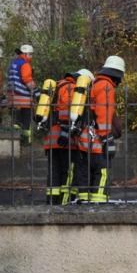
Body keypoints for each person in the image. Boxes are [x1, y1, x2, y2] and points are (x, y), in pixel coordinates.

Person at [76, 56, 125, 203]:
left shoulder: (95, 84)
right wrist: (106, 137)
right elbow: (103, 112)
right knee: (102, 173)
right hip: (98, 141)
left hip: (85, 140)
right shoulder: (106, 86)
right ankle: (99, 204)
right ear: (117, 74)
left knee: (86, 174)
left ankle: (84, 202)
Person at [43, 69, 94, 205]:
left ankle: (52, 201)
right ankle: (64, 202)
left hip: (52, 139)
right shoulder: (72, 88)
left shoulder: (57, 86)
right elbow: (67, 112)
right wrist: (67, 131)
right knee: (67, 172)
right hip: (65, 138)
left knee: (54, 171)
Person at [6, 44, 36, 145]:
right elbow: (27, 79)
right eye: (30, 54)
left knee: (16, 122)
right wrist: (35, 91)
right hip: (23, 98)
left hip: (12, 97)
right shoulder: (25, 64)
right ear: (26, 54)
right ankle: (25, 141)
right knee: (26, 122)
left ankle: (15, 142)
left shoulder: (13, 63)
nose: (31, 57)